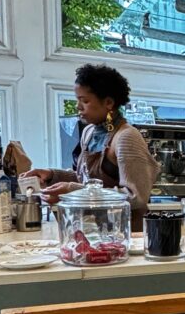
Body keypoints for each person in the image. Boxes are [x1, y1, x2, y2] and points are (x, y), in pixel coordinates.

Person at [31, 64, 159, 218]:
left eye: (85, 101)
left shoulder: (127, 137)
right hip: (94, 226)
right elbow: (86, 180)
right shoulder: (89, 132)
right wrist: (52, 175)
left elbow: (136, 197)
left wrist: (74, 191)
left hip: (125, 229)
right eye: (77, 100)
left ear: (109, 102)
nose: (78, 106)